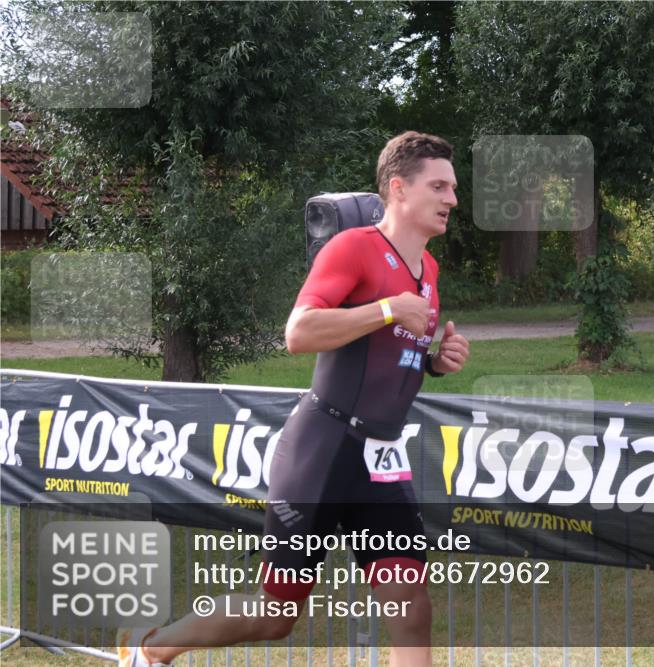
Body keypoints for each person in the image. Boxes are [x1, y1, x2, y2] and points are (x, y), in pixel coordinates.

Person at [119, 131, 470, 667]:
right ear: (398, 188)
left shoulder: (429, 271)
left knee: (410, 605)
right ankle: (149, 650)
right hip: (323, 452)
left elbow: (389, 352)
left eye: (453, 188)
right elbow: (299, 332)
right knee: (275, 615)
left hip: (380, 460)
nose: (452, 199)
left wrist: (434, 360)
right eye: (440, 186)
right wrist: (385, 310)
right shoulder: (353, 247)